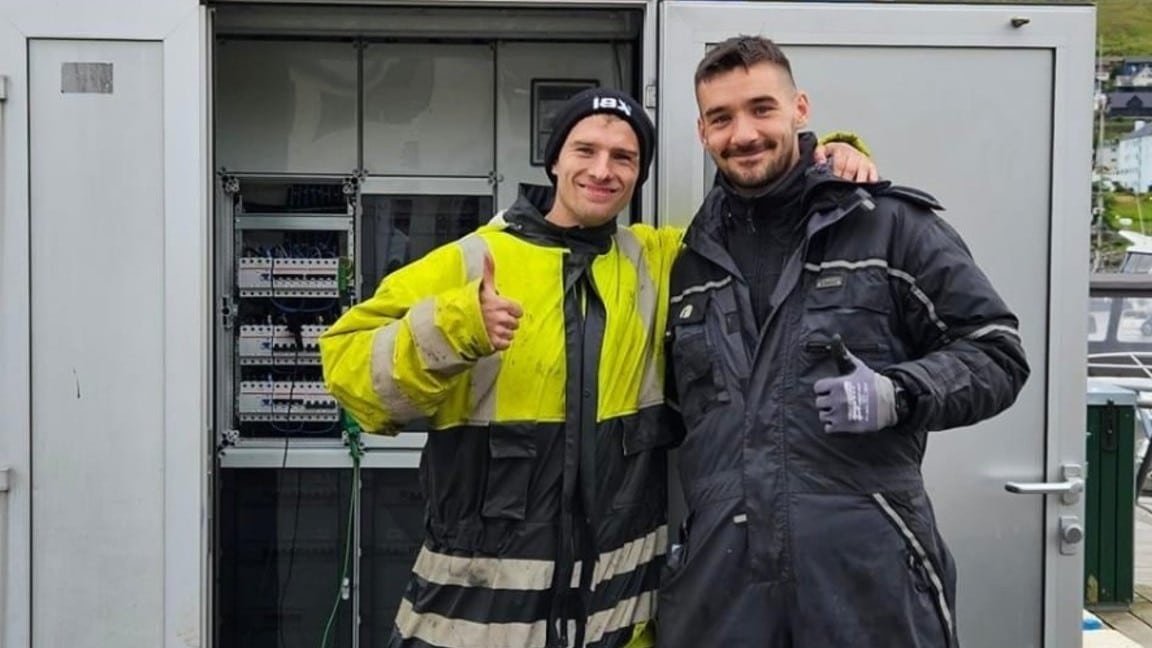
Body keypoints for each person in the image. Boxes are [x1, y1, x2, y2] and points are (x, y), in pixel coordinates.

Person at [319, 87, 873, 648]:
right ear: (555, 159)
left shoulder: (660, 262)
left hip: (618, 631)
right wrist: (455, 327)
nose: (602, 170)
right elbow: (348, 376)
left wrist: (826, 158)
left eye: (624, 158)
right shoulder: (472, 261)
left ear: (638, 176)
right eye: (585, 150)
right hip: (469, 629)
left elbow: (765, 230)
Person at [658, 36, 1030, 648]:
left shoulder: (888, 226)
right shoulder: (690, 262)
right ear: (702, 132)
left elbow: (996, 351)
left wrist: (901, 392)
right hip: (722, 590)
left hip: (870, 582)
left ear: (800, 109)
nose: (743, 133)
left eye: (762, 108)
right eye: (721, 118)